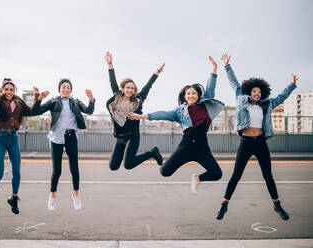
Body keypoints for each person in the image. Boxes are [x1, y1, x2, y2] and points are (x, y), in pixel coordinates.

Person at [216, 54, 298, 221]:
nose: (257, 94)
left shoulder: (266, 104)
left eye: (259, 92)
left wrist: (292, 85)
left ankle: (277, 206)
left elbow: (281, 97)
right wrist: (227, 66)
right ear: (249, 91)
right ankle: (224, 205)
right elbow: (234, 83)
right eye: (254, 91)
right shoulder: (241, 99)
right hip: (246, 142)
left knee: (268, 175)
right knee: (236, 175)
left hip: (260, 143)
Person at [129, 56, 224, 194]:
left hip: (202, 148)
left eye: (193, 93)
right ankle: (154, 154)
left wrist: (214, 68)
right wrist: (143, 116)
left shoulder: (205, 105)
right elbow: (163, 114)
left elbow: (211, 87)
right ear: (184, 96)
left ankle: (197, 178)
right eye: (188, 94)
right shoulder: (179, 111)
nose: (190, 95)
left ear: (198, 95)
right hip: (185, 147)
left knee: (216, 174)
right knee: (165, 172)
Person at [0, 70, 47, 218]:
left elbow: (32, 112)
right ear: (2, 90)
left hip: (13, 138)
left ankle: (13, 199)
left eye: (11, 90)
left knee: (17, 173)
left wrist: (38, 98)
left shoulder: (19, 102)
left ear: (14, 91)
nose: (9, 92)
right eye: (6, 89)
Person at [31, 79, 94, 211]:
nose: (66, 89)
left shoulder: (75, 102)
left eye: (68, 87)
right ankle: (52, 195)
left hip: (71, 137)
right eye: (63, 87)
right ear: (59, 89)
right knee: (57, 171)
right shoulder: (54, 101)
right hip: (56, 137)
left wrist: (91, 99)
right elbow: (36, 111)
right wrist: (39, 98)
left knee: (74, 169)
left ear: (71, 89)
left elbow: (89, 110)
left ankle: (76, 195)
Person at [105, 51, 165, 171]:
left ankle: (152, 153)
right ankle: (129, 153)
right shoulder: (117, 96)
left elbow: (148, 85)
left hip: (133, 136)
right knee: (113, 166)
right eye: (128, 87)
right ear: (123, 88)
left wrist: (157, 73)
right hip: (120, 136)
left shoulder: (138, 99)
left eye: (132, 88)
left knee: (128, 164)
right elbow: (112, 81)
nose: (130, 90)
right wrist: (110, 64)